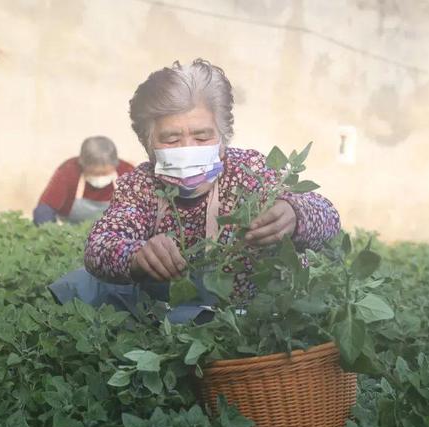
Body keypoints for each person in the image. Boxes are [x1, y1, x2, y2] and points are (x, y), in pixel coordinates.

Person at [48, 59, 340, 323]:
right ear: (148, 144)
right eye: (171, 139)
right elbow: (101, 245)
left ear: (222, 138)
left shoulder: (247, 172)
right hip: (173, 304)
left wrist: (294, 213)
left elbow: (328, 218)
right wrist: (137, 256)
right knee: (87, 285)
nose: (188, 149)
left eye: (202, 136)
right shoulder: (142, 184)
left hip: (247, 310)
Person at [33, 136, 134, 225]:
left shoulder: (128, 172)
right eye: (95, 173)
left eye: (105, 173)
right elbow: (45, 209)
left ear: (115, 165)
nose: (100, 177)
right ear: (82, 164)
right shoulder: (68, 171)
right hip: (71, 233)